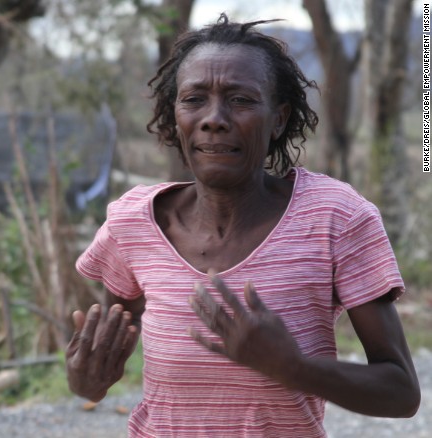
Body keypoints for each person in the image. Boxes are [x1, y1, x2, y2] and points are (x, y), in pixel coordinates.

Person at [65, 14, 420, 437]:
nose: (214, 118)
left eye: (241, 100)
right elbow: (97, 368)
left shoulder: (336, 219)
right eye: (194, 99)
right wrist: (86, 380)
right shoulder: (134, 223)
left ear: (279, 119)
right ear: (173, 115)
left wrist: (293, 368)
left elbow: (401, 391)